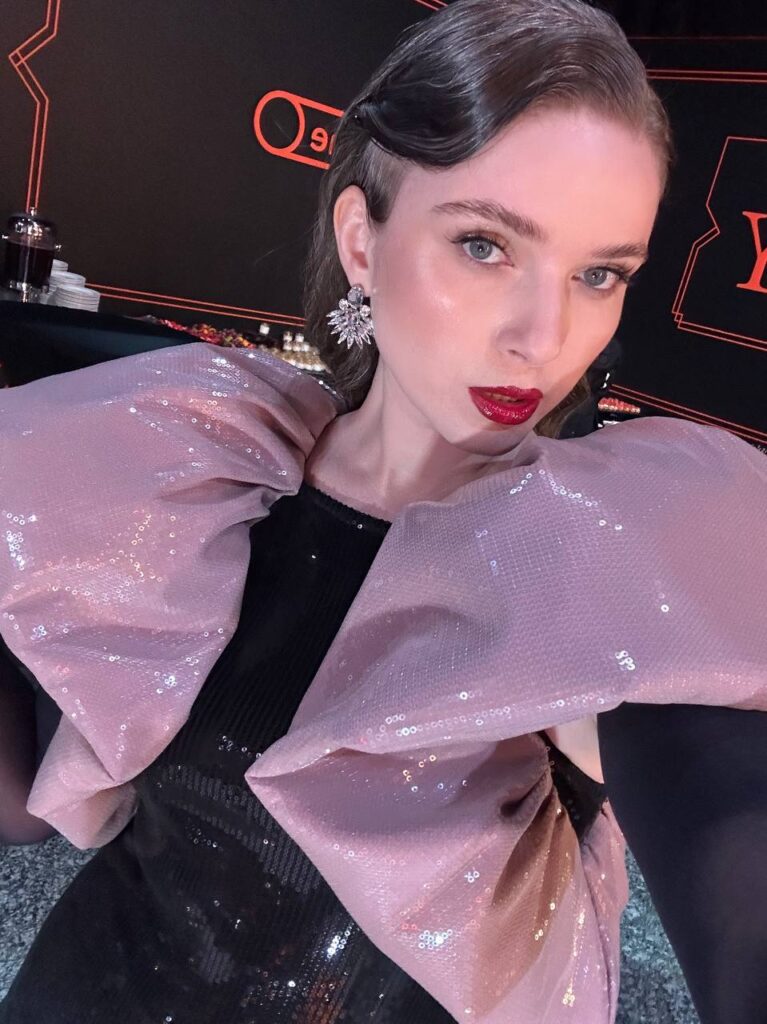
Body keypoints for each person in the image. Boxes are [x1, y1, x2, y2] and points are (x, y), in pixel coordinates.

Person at [0, 1, 765, 1022]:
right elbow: (26, 805)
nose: (544, 336)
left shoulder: (587, 563)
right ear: (362, 240)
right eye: (484, 246)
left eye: (598, 275)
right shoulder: (210, 477)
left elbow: (724, 815)